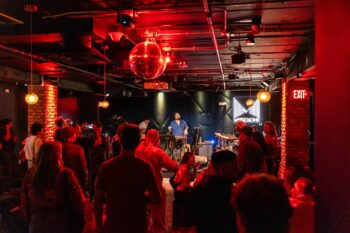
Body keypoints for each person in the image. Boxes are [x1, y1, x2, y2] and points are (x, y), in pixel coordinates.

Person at [94, 124, 160, 233]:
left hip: (113, 225)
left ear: (119, 140)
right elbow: (156, 198)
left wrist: (99, 227)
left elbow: (98, 201)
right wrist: (141, 196)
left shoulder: (106, 167)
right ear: (138, 142)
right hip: (138, 225)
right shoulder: (145, 167)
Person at [20, 141, 85, 233]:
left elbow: (24, 199)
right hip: (61, 223)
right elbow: (78, 201)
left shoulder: (31, 173)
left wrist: (27, 218)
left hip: (37, 223)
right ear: (58, 154)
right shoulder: (65, 174)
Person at [135, 129, 178, 233]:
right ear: (156, 138)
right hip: (155, 189)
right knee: (158, 221)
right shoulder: (156, 151)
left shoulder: (136, 149)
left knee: (140, 219)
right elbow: (172, 167)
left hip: (137, 190)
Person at [192, 150, 240, 233]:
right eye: (234, 167)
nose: (237, 170)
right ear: (222, 168)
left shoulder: (200, 189)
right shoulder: (231, 193)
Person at [172, 152, 196, 228]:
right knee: (184, 206)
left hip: (181, 190)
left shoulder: (187, 167)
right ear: (188, 159)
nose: (194, 160)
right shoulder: (183, 167)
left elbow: (192, 178)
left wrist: (194, 168)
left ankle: (181, 223)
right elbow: (179, 180)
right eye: (192, 158)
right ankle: (184, 223)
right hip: (182, 191)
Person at [61, 126, 88, 191]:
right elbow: (82, 166)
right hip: (75, 179)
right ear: (73, 135)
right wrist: (85, 179)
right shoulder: (78, 148)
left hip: (60, 179)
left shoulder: (58, 146)